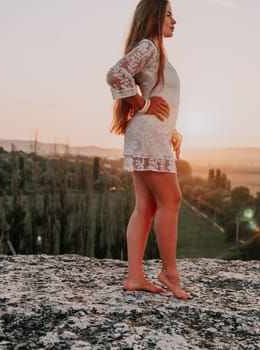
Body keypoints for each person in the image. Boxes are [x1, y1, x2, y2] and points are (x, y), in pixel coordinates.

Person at [106, 0, 190, 299]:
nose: (174, 20)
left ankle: (134, 278)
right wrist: (142, 104)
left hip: (150, 134)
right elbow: (116, 73)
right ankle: (169, 272)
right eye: (168, 14)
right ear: (154, 15)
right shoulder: (150, 46)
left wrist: (173, 130)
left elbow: (160, 96)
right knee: (172, 200)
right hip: (148, 135)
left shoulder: (156, 50)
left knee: (147, 206)